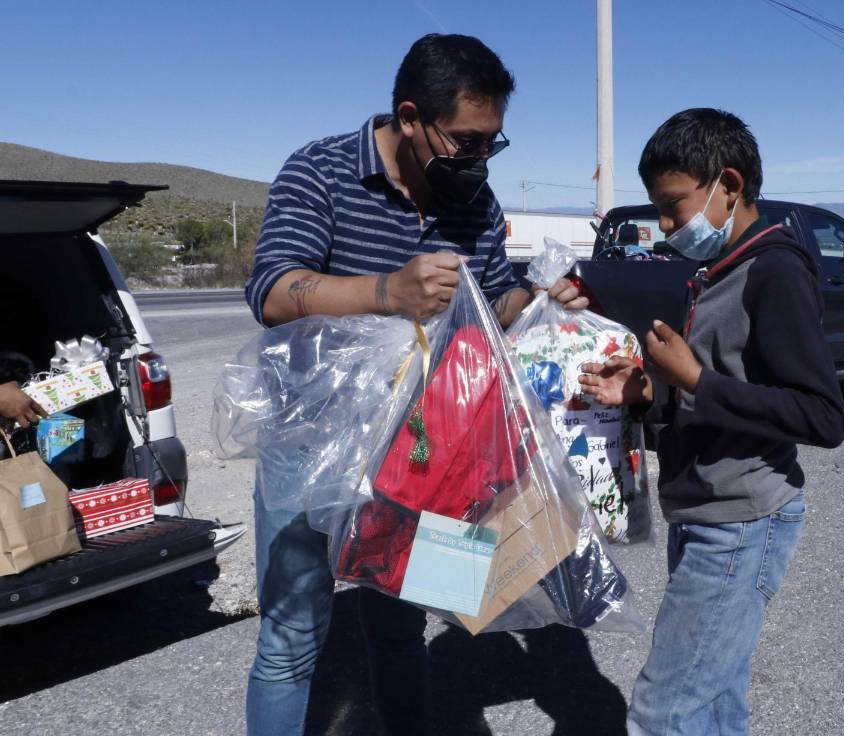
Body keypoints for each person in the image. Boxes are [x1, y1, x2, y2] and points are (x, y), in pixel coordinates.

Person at [242, 33, 586, 736]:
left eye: (491, 143)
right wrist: (385, 291)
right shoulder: (321, 171)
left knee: (400, 629)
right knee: (289, 641)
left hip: (420, 455)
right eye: (465, 141)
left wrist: (540, 296)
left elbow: (487, 309)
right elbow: (272, 291)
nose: (479, 160)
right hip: (309, 448)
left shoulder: (476, 203)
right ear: (409, 116)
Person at [579, 108, 844, 735]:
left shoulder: (775, 269)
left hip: (740, 522)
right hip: (702, 515)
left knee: (663, 711)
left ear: (728, 185)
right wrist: (648, 393)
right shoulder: (714, 271)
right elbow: (722, 388)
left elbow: (822, 416)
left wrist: (694, 379)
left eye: (674, 207)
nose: (668, 228)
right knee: (717, 698)